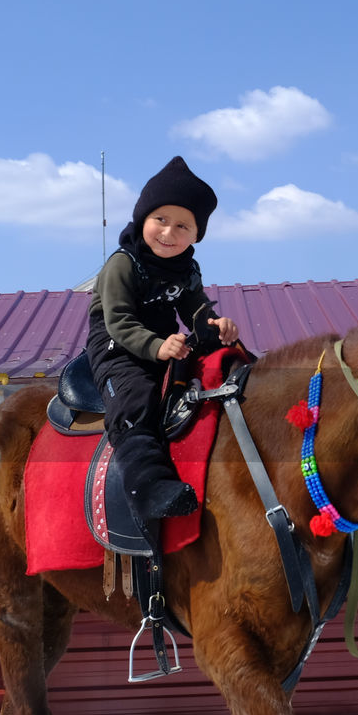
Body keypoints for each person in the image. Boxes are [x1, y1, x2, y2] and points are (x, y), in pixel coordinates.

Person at [86, 155, 239, 521]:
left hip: (163, 343)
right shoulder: (122, 264)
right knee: (137, 398)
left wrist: (215, 325)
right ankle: (147, 487)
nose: (169, 233)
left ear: (197, 235)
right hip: (116, 346)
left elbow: (195, 308)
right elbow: (119, 320)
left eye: (183, 226)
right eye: (161, 220)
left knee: (217, 362)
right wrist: (156, 346)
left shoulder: (186, 268)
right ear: (143, 221)